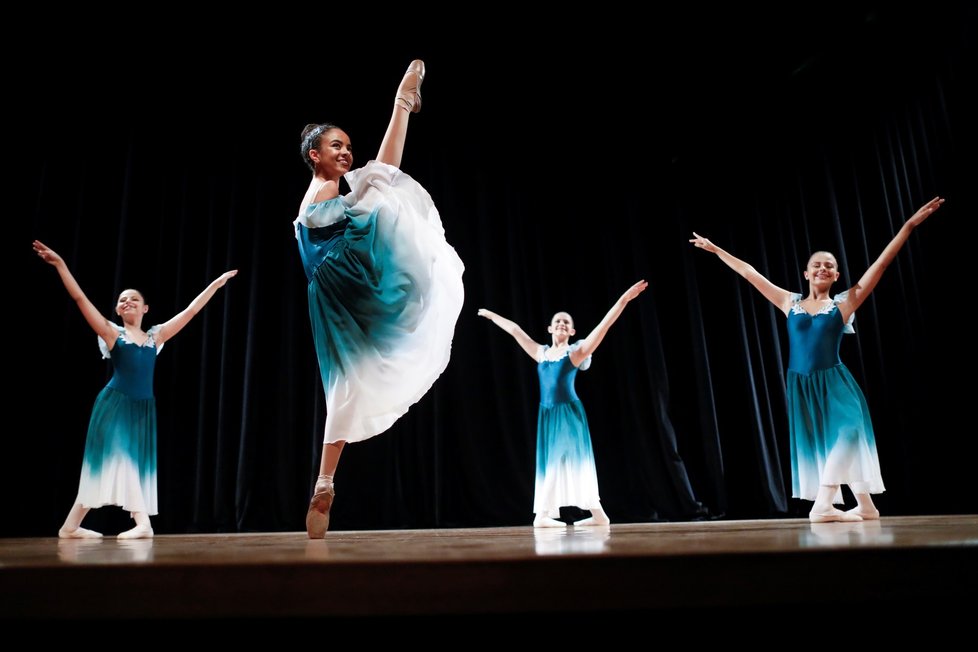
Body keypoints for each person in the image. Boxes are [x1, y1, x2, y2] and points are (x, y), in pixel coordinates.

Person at [689, 196, 944, 522]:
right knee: (825, 445)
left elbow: (880, 264)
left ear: (836, 276)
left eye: (829, 265)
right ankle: (866, 505)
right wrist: (716, 249)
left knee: (848, 433)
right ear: (807, 273)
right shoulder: (789, 301)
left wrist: (908, 226)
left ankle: (823, 506)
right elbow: (750, 273)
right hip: (802, 384)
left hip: (835, 382)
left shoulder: (844, 303)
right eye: (817, 264)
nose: (823, 267)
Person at [295, 59, 464, 538]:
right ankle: (401, 104)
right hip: (337, 274)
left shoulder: (325, 187)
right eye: (335, 145)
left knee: (344, 384)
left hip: (330, 282)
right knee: (382, 179)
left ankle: (325, 481)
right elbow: (331, 209)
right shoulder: (325, 186)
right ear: (314, 153)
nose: (346, 152)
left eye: (348, 145)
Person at [33, 239, 237, 538]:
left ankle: (70, 527)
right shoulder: (112, 334)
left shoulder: (156, 337)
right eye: (122, 299)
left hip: (142, 408)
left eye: (133, 299)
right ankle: (143, 525)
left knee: (120, 464)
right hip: (114, 405)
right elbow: (79, 299)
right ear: (117, 309)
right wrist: (61, 264)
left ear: (145, 308)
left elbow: (191, 311)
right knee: (119, 460)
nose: (127, 301)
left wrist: (216, 285)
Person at [478, 280, 649, 527]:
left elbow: (604, 325)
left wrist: (623, 299)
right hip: (547, 414)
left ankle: (543, 516)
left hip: (568, 414)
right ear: (549, 328)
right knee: (553, 461)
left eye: (566, 322)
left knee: (562, 458)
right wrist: (493, 316)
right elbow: (516, 330)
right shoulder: (541, 353)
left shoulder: (576, 353)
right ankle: (598, 515)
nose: (561, 323)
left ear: (571, 332)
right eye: (558, 320)